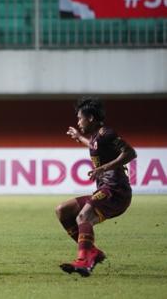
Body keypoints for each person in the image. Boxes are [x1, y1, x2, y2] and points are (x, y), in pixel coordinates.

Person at [56, 97, 137, 277]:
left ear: (90, 118)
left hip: (116, 191)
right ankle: (92, 251)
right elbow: (94, 145)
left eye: (80, 118)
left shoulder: (107, 133)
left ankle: (84, 261)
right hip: (105, 190)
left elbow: (130, 152)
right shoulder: (96, 138)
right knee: (63, 210)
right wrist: (79, 137)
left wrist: (104, 167)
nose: (78, 121)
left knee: (83, 216)